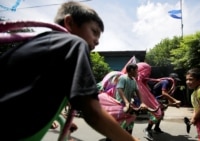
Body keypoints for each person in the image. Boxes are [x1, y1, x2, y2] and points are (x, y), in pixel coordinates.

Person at [0, 1, 139, 141]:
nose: (97, 41)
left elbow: (30, 95)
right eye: (94, 32)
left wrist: (59, 119)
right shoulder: (75, 43)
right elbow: (92, 112)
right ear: (70, 22)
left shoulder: (42, 45)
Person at [143, 73, 181, 140]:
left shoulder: (170, 85)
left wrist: (174, 104)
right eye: (175, 80)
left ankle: (156, 128)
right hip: (154, 99)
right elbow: (164, 93)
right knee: (156, 115)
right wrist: (175, 101)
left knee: (162, 114)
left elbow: (167, 96)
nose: (176, 82)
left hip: (160, 100)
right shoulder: (165, 82)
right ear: (171, 78)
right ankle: (147, 129)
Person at [115, 63, 147, 134]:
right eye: (136, 70)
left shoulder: (133, 80)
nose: (137, 72)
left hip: (129, 105)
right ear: (132, 70)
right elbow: (120, 89)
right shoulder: (123, 78)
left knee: (130, 122)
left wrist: (142, 102)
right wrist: (126, 102)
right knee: (120, 124)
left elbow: (137, 91)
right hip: (120, 104)